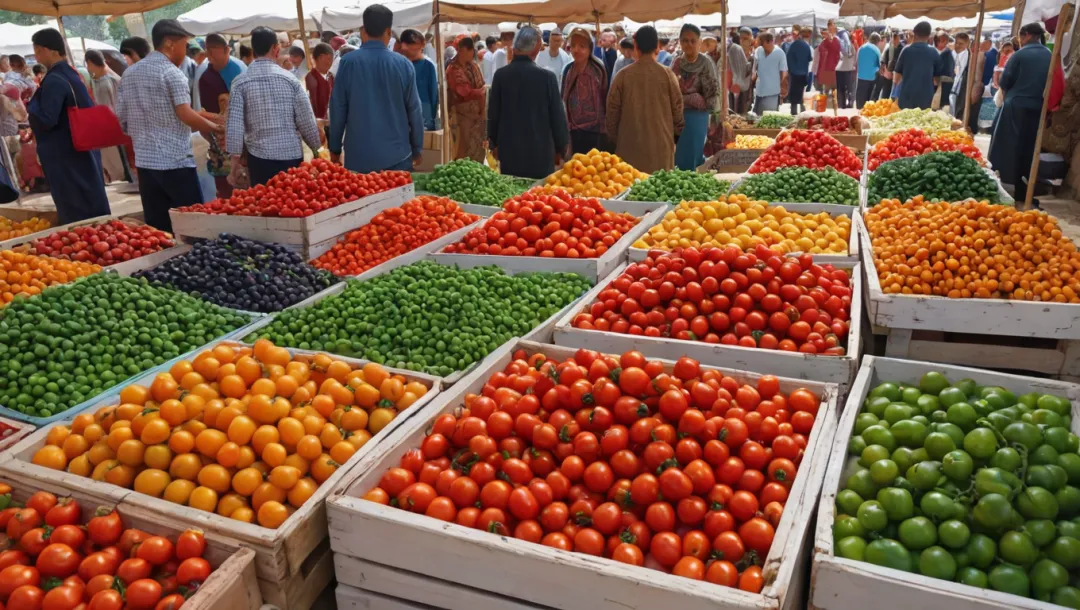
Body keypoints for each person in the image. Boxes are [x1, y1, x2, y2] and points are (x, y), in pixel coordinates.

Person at [117, 19, 222, 231]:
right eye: (184, 45)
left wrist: (209, 117)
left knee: (158, 229)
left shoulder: (129, 74)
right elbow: (184, 114)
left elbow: (122, 119)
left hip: (146, 164)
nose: (186, 52)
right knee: (192, 225)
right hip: (175, 163)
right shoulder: (172, 73)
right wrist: (216, 128)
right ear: (169, 43)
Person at [26, 29, 110, 224]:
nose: (37, 57)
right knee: (90, 195)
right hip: (82, 147)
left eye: (38, 51)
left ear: (48, 50)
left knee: (75, 205)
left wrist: (32, 107)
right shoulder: (72, 73)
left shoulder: (55, 80)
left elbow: (47, 118)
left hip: (65, 153)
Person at [329, 4, 424, 172]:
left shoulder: (348, 63)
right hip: (398, 158)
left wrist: (335, 148)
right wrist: (417, 149)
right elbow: (414, 111)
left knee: (364, 199)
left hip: (359, 158)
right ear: (388, 31)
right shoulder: (404, 65)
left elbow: (337, 108)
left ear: (363, 30)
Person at [226, 27, 320, 187]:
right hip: (291, 157)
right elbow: (307, 122)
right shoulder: (290, 80)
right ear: (275, 49)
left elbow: (234, 128)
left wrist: (233, 167)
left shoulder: (240, 82)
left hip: (259, 160)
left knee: (266, 205)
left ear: (253, 50)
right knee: (292, 204)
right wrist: (316, 150)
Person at [488, 26, 568, 179]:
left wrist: (494, 144)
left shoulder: (501, 76)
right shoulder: (547, 78)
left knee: (513, 197)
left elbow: (493, 114)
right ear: (536, 48)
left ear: (516, 47)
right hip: (540, 152)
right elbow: (557, 117)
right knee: (537, 199)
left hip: (509, 151)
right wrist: (561, 148)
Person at [606, 25, 683, 173]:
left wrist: (620, 140)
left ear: (636, 46)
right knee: (659, 192)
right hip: (661, 150)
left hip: (629, 151)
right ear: (657, 47)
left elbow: (611, 116)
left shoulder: (622, 76)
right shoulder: (667, 75)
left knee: (629, 193)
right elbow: (678, 114)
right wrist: (673, 138)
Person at [989, 23, 1051, 204]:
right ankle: (1025, 187)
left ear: (1026, 36)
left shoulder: (1020, 55)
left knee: (1007, 147)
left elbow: (1005, 82)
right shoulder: (1049, 54)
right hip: (1037, 107)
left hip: (1015, 106)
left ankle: (1010, 186)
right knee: (1028, 147)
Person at [83, 50, 128, 185]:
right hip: (109, 122)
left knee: (115, 154)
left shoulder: (108, 79)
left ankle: (120, 175)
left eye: (88, 64)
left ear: (90, 62)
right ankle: (118, 175)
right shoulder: (98, 80)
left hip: (111, 122)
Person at [562, 28, 608, 156]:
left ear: (590, 48)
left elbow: (605, 97)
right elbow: (563, 97)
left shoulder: (598, 69)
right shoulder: (568, 69)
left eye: (582, 46)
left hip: (595, 131)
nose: (576, 50)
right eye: (573, 45)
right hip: (573, 131)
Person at [446, 37, 486, 162]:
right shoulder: (453, 69)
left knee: (478, 152)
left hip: (478, 118)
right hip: (462, 118)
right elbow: (464, 92)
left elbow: (482, 87)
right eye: (470, 51)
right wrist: (480, 92)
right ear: (463, 50)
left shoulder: (473, 66)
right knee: (462, 153)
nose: (472, 54)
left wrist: (483, 110)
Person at [893, 21, 940, 110]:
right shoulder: (934, 52)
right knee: (922, 122)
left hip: (907, 97)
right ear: (929, 35)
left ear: (914, 33)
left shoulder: (906, 50)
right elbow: (937, 79)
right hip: (926, 99)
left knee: (904, 122)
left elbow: (896, 78)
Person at [194, 34, 246, 113]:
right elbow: (205, 109)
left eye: (211, 51)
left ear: (227, 50)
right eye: (207, 50)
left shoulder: (239, 68)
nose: (207, 54)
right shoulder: (205, 76)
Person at [398, 29, 438, 131]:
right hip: (402, 116)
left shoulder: (428, 66)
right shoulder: (399, 66)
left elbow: (433, 94)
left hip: (424, 116)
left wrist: (431, 118)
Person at [751, 32, 787, 115]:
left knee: (768, 118)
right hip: (759, 92)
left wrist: (783, 91)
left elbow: (784, 73)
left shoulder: (780, 53)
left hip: (772, 93)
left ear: (770, 42)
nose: (761, 46)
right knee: (757, 117)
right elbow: (755, 68)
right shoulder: (758, 51)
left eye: (762, 44)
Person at [786, 28, 812, 114]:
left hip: (794, 74)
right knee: (801, 92)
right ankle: (802, 110)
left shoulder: (793, 45)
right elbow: (809, 59)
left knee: (793, 94)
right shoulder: (806, 46)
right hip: (803, 73)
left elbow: (788, 59)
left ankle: (793, 112)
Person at [306, 43, 334, 121]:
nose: (330, 63)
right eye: (329, 59)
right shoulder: (309, 77)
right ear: (321, 57)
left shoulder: (331, 76)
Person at [728, 29, 752, 113]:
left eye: (745, 39)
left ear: (750, 40)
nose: (742, 41)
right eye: (740, 38)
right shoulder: (732, 52)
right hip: (732, 89)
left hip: (746, 93)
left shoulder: (753, 57)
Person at [817, 21, 841, 104]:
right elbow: (821, 50)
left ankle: (835, 106)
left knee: (834, 89)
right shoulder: (825, 41)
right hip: (827, 67)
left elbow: (836, 49)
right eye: (830, 26)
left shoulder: (836, 39)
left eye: (833, 25)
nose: (831, 27)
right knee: (826, 90)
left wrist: (830, 39)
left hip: (834, 67)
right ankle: (825, 106)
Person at [856, 32, 882, 109]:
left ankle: (859, 111)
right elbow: (880, 64)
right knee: (869, 100)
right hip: (872, 77)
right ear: (877, 41)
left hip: (861, 77)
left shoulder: (861, 47)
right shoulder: (876, 49)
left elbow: (856, 61)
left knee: (861, 98)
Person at [875, 31, 901, 101]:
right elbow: (883, 59)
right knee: (886, 91)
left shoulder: (901, 48)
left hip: (896, 74)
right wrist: (883, 67)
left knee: (894, 93)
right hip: (888, 73)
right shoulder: (889, 47)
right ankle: (884, 103)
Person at [934, 32, 956, 111]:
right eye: (941, 41)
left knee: (942, 105)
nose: (945, 43)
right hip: (936, 83)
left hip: (945, 83)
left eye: (945, 41)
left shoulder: (949, 53)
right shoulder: (933, 51)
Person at [835, 30, 856, 109]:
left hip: (839, 70)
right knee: (849, 88)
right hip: (849, 70)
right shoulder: (851, 46)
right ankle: (850, 102)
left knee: (841, 89)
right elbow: (854, 56)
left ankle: (842, 104)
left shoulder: (838, 46)